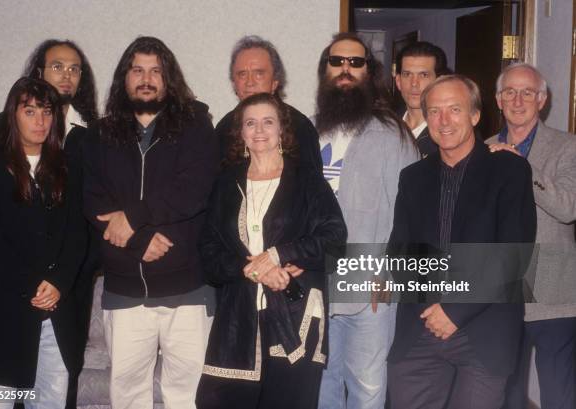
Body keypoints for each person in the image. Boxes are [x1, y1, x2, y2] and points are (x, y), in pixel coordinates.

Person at [81, 36, 217, 409]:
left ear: (168, 79)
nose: (146, 78)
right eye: (137, 69)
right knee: (127, 396)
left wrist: (135, 218)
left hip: (188, 289)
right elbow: (94, 203)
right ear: (124, 78)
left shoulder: (197, 128)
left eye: (156, 71)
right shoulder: (98, 136)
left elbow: (194, 191)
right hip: (125, 290)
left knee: (188, 397)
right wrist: (140, 241)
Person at [387, 74, 536, 409]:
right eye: (435, 111)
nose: (444, 120)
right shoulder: (412, 178)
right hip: (421, 327)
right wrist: (433, 306)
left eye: (455, 109)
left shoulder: (509, 171)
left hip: (485, 329)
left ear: (475, 115)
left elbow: (513, 257)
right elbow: (400, 253)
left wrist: (454, 310)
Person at [196, 92, 346, 409]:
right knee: (216, 399)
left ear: (282, 130)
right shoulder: (225, 182)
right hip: (239, 316)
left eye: (268, 122)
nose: (259, 130)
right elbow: (208, 252)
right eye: (251, 123)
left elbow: (334, 238)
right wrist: (250, 268)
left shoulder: (306, 179)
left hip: (296, 311)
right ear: (241, 132)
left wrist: (278, 255)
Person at [0, 39, 100, 408]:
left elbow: (80, 231)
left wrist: (59, 282)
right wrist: (35, 284)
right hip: (3, 303)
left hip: (60, 302)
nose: (39, 121)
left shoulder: (69, 163)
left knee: (52, 398)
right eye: (30, 111)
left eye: (46, 113)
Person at [314, 33, 418, 409]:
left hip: (370, 285)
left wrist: (390, 272)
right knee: (322, 383)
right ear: (325, 68)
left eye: (356, 63)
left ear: (368, 72)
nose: (346, 69)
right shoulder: (308, 132)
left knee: (368, 387)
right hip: (316, 285)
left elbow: (409, 213)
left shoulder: (393, 135)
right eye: (337, 61)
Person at [488, 63, 576, 409]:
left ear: (542, 100)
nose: (518, 99)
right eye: (510, 91)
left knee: (558, 392)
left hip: (554, 289)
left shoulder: (568, 147)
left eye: (527, 92)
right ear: (498, 99)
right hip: (502, 292)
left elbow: (568, 208)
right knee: (505, 393)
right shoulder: (482, 149)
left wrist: (523, 166)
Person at [215, 35, 322, 170]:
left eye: (258, 73)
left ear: (275, 81)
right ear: (234, 83)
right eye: (242, 74)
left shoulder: (299, 126)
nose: (249, 82)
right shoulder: (224, 128)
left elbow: (311, 184)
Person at [0, 39, 98, 155]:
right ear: (39, 73)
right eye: (57, 67)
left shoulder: (93, 130)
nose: (67, 75)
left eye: (73, 69)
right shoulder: (2, 124)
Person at [395, 41, 450, 157]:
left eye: (423, 75)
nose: (414, 83)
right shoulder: (385, 125)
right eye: (407, 74)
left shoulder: (452, 131)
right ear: (398, 82)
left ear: (438, 81)